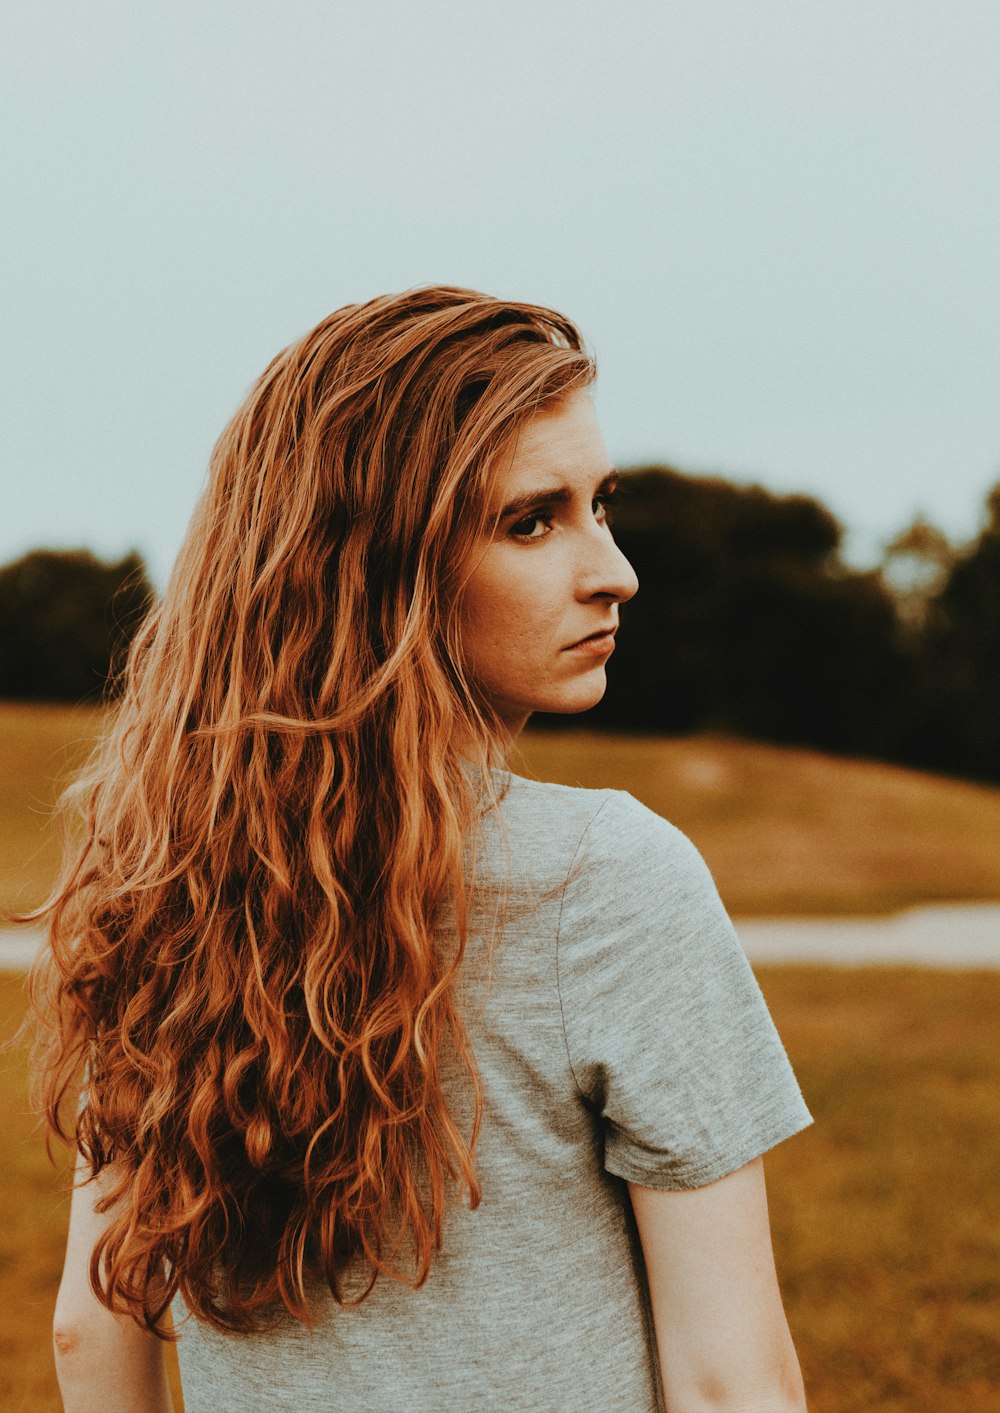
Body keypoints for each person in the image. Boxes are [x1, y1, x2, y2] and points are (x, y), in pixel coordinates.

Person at [31, 286, 811, 1411]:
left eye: (603, 506)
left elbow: (87, 1333)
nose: (613, 570)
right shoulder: (606, 882)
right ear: (375, 569)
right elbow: (733, 1383)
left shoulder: (159, 882)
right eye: (531, 520)